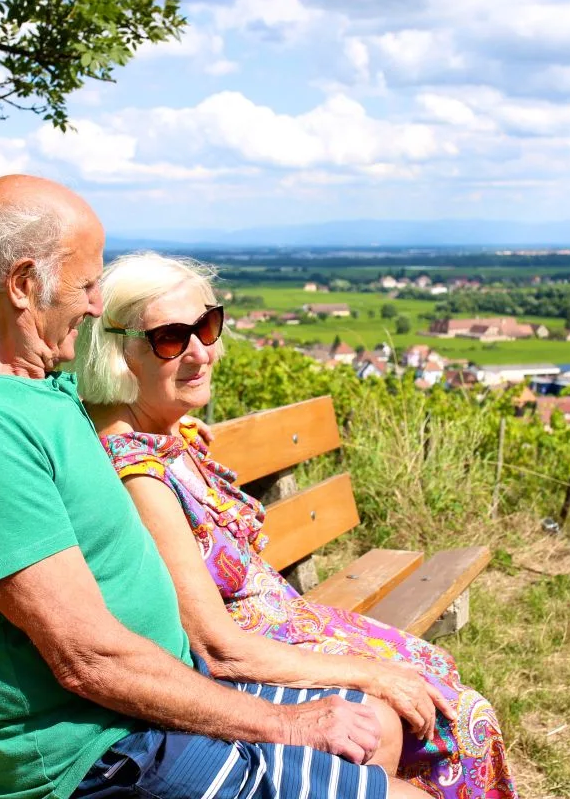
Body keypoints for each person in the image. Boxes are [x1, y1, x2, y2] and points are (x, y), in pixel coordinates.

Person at [0, 175, 430, 799]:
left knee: (375, 728)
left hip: (155, 701)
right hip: (99, 758)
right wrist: (287, 724)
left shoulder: (28, 382)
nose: (94, 307)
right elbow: (87, 660)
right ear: (23, 285)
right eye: (86, 285)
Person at [73, 252, 518, 799]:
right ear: (118, 352)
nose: (200, 352)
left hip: (283, 623)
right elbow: (218, 648)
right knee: (453, 713)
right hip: (246, 657)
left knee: (438, 681)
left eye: (206, 327)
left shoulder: (160, 435)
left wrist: (171, 415)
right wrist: (368, 674)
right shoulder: (138, 476)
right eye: (170, 338)